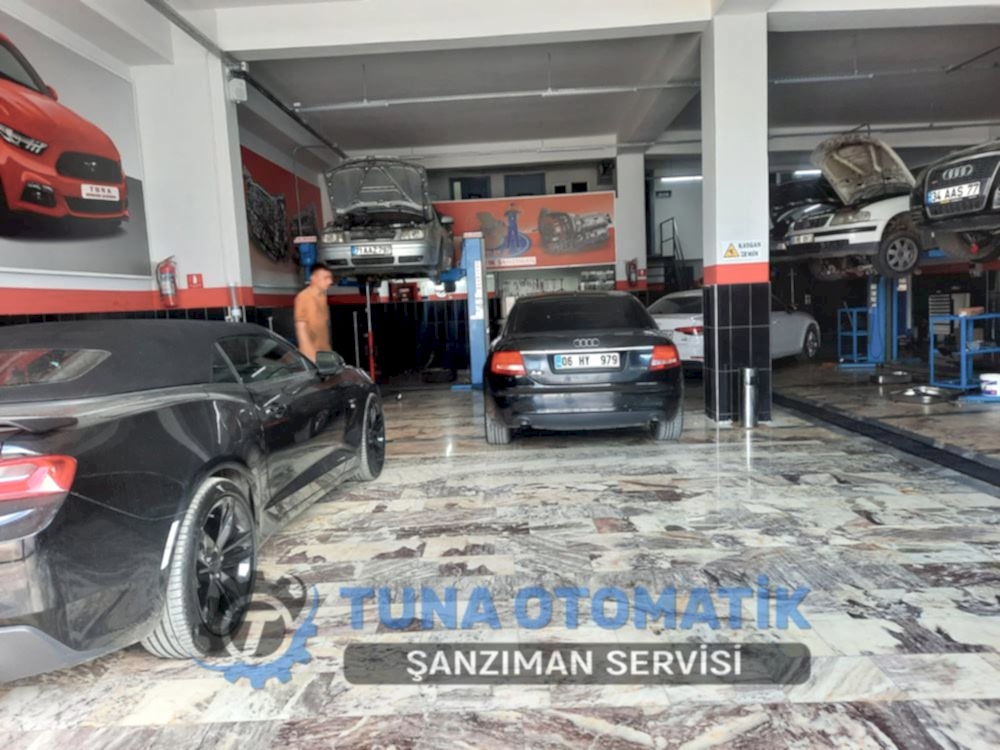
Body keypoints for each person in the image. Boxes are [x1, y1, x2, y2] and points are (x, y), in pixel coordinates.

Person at [294, 265, 333, 362]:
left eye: (330, 278)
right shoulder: (303, 297)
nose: (330, 281)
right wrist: (310, 355)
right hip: (311, 355)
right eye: (326, 278)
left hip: (324, 352)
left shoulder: (323, 297)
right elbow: (301, 328)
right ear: (314, 278)